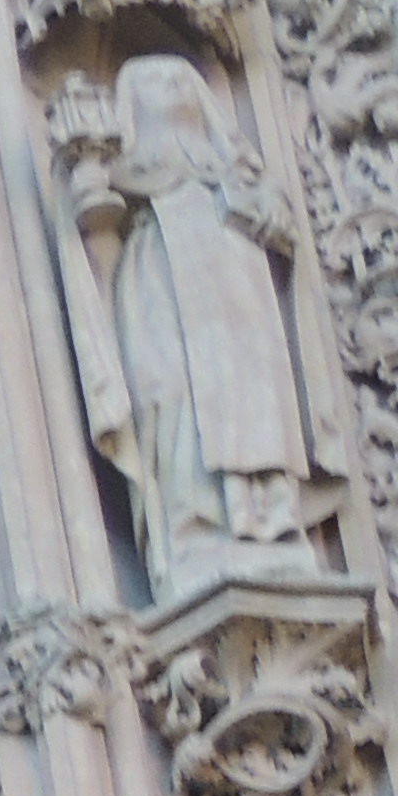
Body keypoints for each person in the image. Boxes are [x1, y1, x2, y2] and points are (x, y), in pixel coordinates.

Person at [54, 52, 338, 597]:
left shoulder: (235, 172)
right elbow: (89, 221)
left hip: (238, 300)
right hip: (160, 290)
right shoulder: (120, 174)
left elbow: (282, 230)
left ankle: (268, 525)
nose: (170, 89)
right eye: (155, 82)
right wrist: (86, 170)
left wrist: (260, 204)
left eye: (179, 80)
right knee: (170, 398)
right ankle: (193, 531)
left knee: (253, 402)